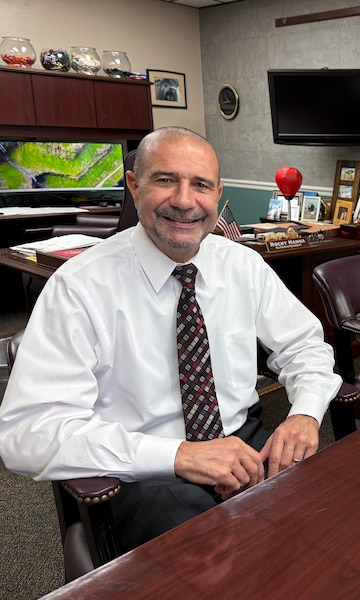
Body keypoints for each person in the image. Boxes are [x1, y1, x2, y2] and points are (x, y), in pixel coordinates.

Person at [0, 127, 342, 551]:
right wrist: (178, 455)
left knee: (329, 523)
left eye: (200, 185)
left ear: (218, 195)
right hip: (143, 471)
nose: (184, 200)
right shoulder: (80, 287)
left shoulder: (242, 265)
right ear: (134, 185)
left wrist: (305, 414)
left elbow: (305, 345)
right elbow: (27, 431)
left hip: (243, 444)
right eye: (165, 180)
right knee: (218, 560)